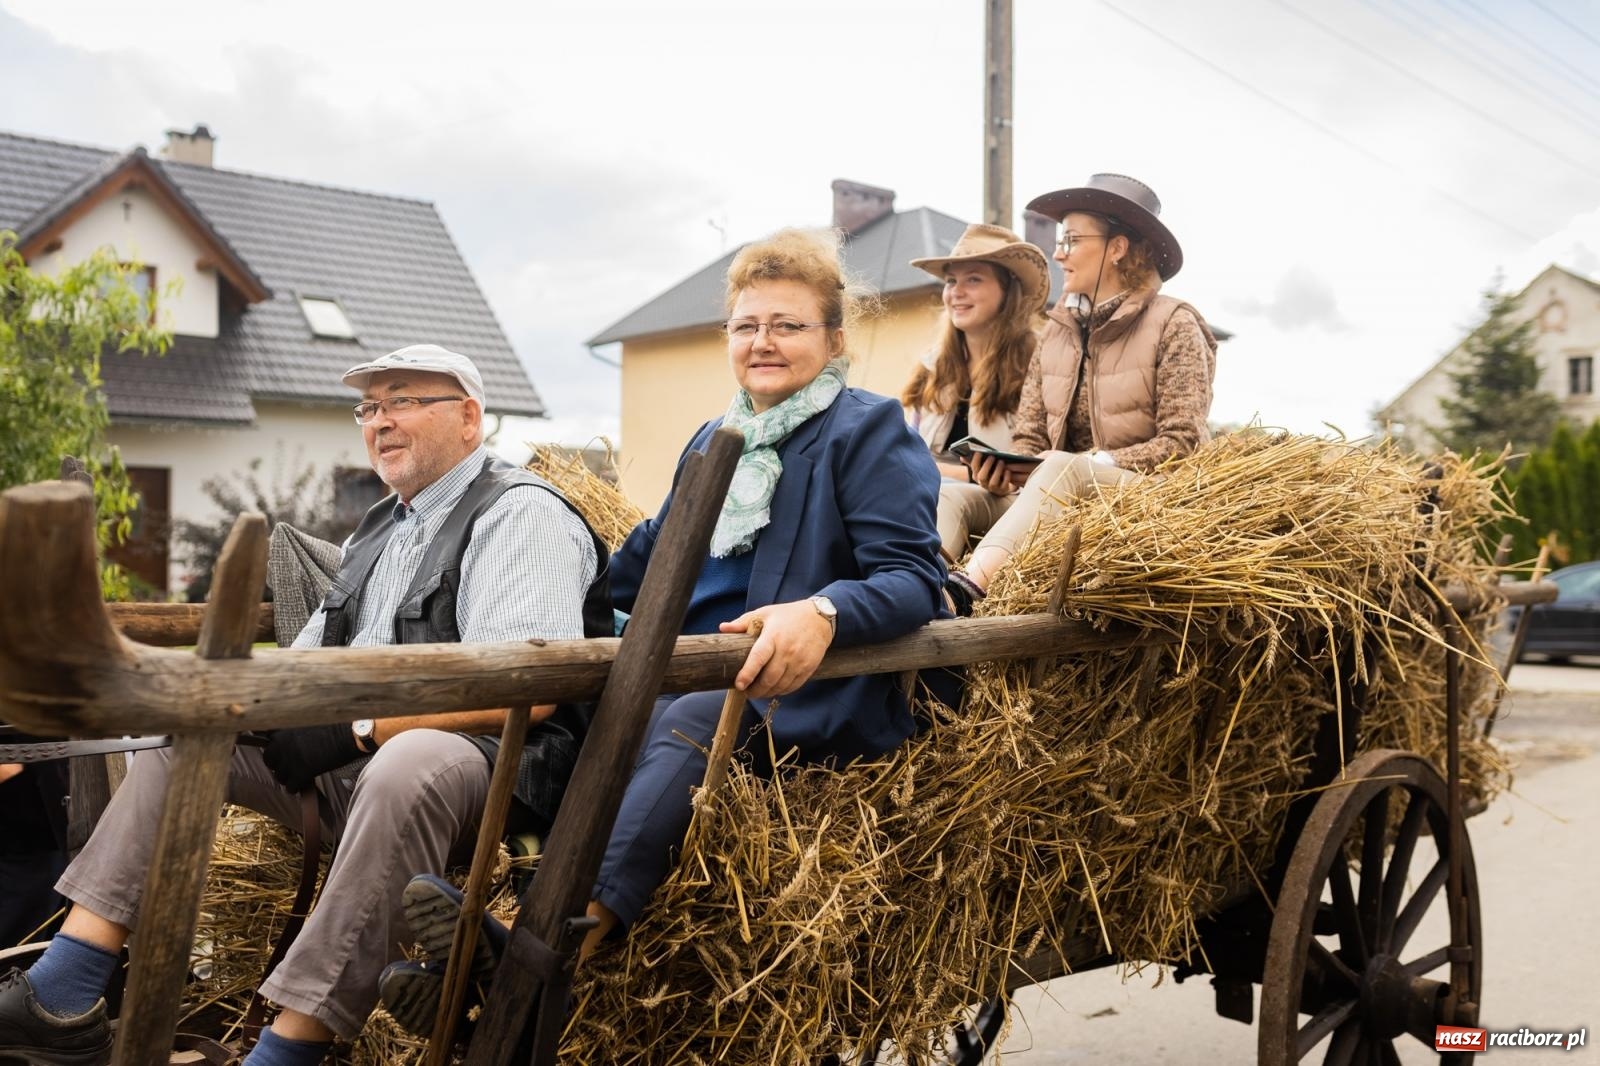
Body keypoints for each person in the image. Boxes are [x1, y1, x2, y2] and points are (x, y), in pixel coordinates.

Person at [0, 345, 611, 1066]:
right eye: (370, 407)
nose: (380, 421)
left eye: (403, 400)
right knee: (192, 728)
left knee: (409, 761)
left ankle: (286, 1053)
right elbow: (299, 667)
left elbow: (528, 691)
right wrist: (237, 707)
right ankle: (63, 994)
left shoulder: (521, 515)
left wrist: (358, 729)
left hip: (491, 782)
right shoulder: (379, 528)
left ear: (470, 418)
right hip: (363, 765)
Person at [944, 174, 1219, 614]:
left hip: (1144, 500)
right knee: (953, 495)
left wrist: (1090, 464)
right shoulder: (1056, 332)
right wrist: (1005, 470)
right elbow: (1029, 439)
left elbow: (1182, 443)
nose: (1058, 253)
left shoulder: (1175, 323)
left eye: (1071, 240)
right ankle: (911, 587)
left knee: (1063, 469)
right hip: (1055, 496)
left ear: (1117, 247)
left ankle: (962, 593)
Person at [900, 223, 1049, 561]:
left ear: (1007, 290)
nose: (956, 292)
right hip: (928, 495)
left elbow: (1044, 463)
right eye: (951, 281)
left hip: (1006, 507)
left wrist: (944, 473)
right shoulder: (932, 366)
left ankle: (928, 588)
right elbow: (907, 449)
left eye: (974, 279)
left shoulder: (1039, 364)